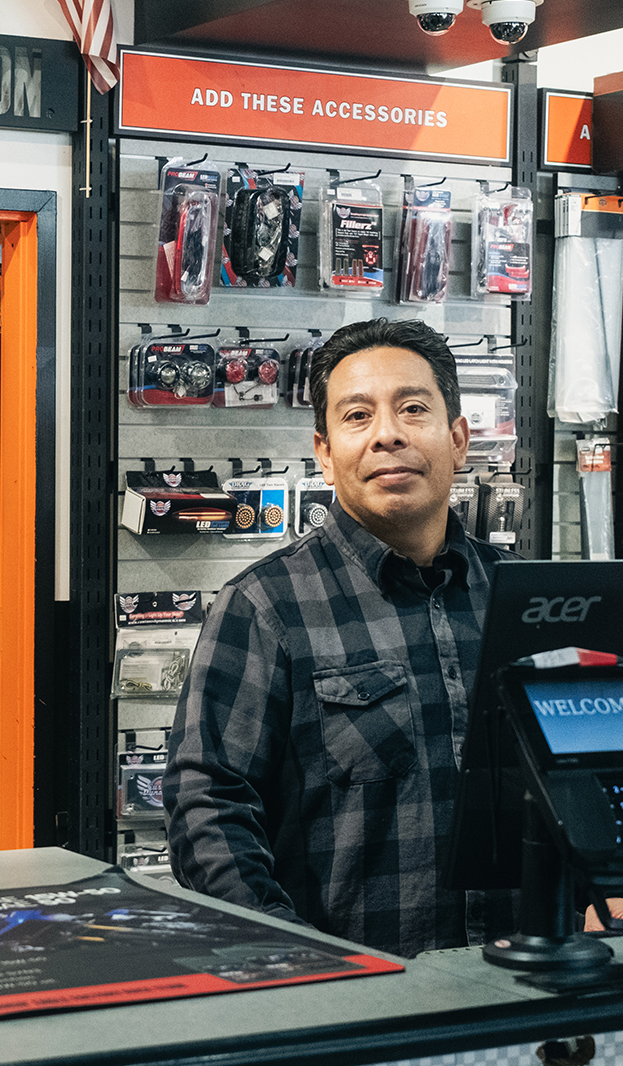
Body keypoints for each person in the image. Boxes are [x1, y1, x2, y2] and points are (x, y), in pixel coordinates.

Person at [164, 317, 510, 957]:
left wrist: (613, 894)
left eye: (413, 409)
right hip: (357, 1003)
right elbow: (206, 810)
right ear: (324, 453)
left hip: (529, 987)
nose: (387, 435)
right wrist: (294, 961)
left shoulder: (521, 598)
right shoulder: (267, 606)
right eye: (357, 417)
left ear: (458, 438)